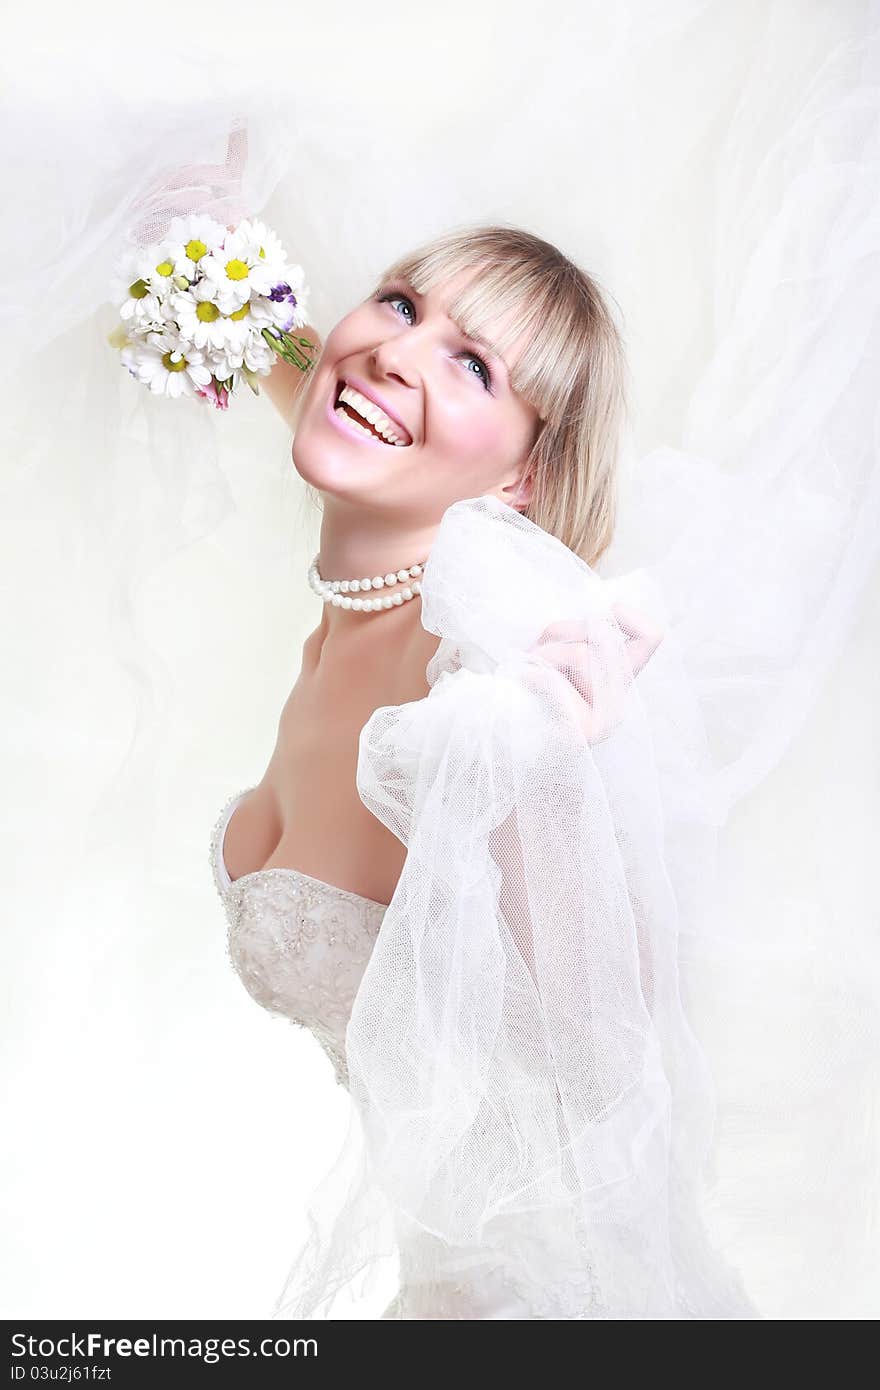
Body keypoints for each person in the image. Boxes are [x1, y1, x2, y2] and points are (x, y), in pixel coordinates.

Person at [209, 225, 757, 1319]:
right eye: (401, 305)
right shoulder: (373, 540)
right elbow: (330, 381)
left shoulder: (486, 687)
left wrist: (559, 766)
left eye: (476, 366)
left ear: (523, 477)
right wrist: (200, 277)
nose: (397, 357)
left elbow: (611, 1062)